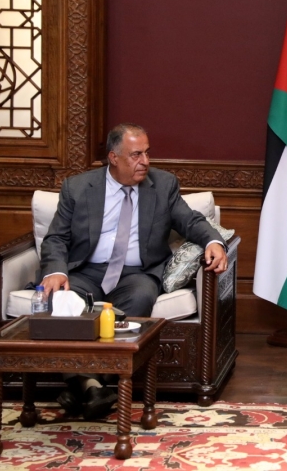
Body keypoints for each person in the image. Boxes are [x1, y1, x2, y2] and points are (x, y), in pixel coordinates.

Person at [39, 123, 228, 420]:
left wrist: (214, 242)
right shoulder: (77, 188)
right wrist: (55, 271)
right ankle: (94, 388)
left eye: (147, 153)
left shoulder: (163, 185)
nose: (145, 161)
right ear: (113, 157)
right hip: (86, 271)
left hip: (137, 273)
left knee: (141, 297)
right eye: (136, 155)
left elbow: (190, 221)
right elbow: (56, 238)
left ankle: (84, 384)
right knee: (62, 300)